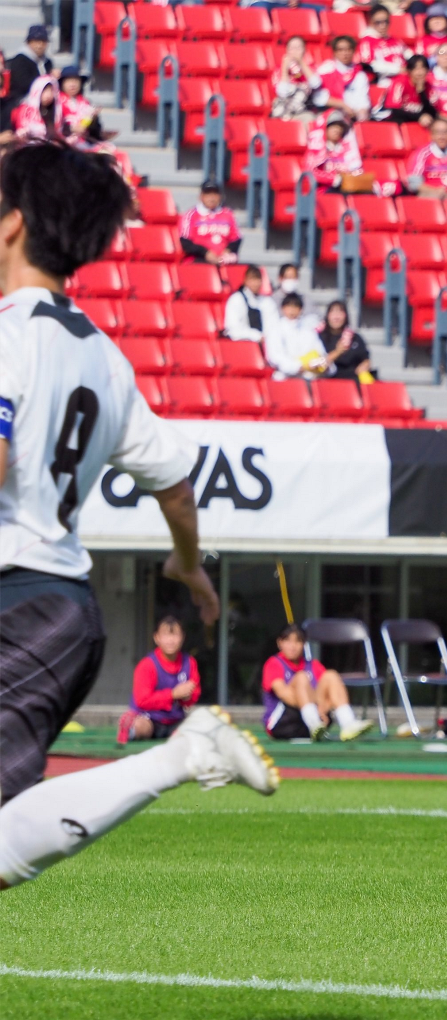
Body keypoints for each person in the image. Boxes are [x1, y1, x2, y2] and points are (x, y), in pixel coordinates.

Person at [0, 143, 280, 894]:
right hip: (58, 608)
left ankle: (181, 756)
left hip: (20, 608)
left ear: (12, 225)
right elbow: (177, 482)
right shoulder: (104, 357)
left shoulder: (6, 337)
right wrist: (187, 563)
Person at [262, 625, 375, 741]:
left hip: (317, 721)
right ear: (280, 643)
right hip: (283, 723)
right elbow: (283, 694)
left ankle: (348, 723)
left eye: (298, 641)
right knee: (301, 677)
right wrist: (313, 709)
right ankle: (313, 721)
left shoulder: (313, 665)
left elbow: (330, 693)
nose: (293, 646)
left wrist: (322, 707)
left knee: (331, 675)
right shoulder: (273, 664)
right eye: (288, 641)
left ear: (304, 644)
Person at [117, 616, 201, 744]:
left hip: (176, 720)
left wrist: (187, 697)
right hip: (149, 719)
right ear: (157, 638)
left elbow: (194, 694)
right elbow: (142, 700)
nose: (171, 640)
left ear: (182, 637)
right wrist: (173, 694)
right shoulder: (147, 665)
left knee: (196, 729)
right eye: (166, 635)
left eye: (175, 635)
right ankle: (131, 729)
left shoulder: (189, 662)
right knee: (141, 727)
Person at [264, 293, 327, 379]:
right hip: (283, 376)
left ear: (301, 310)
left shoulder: (308, 330)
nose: (292, 310)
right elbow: (274, 357)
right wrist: (297, 367)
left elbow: (319, 352)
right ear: (283, 308)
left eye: (295, 307)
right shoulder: (276, 329)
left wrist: (313, 364)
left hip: (307, 375)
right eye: (289, 306)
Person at [404, 116, 447, 198]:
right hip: (430, 195)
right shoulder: (423, 154)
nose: (442, 137)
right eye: (438, 132)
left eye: (445, 132)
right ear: (432, 135)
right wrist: (434, 191)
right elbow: (414, 183)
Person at [178, 181, 240, 265]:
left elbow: (236, 239)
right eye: (208, 194)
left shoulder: (228, 214)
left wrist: (227, 251)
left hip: (223, 259)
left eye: (215, 194)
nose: (211, 197)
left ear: (220, 196)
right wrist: (206, 253)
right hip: (198, 258)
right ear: (201, 196)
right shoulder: (191, 215)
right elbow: (185, 242)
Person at [3, 26, 51, 128]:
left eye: (43, 42)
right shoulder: (20, 60)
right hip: (21, 98)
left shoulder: (47, 62)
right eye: (36, 41)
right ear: (28, 42)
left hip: (44, 99)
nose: (39, 45)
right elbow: (23, 84)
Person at [316, 35, 372, 122]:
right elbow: (318, 97)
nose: (345, 53)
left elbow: (363, 100)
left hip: (354, 114)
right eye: (340, 50)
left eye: (348, 49)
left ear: (353, 51)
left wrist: (361, 113)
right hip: (330, 112)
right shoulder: (325, 70)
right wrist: (342, 105)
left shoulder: (360, 74)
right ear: (334, 52)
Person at [305, 111, 365, 192]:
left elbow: (356, 170)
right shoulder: (316, 150)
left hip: (348, 187)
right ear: (325, 128)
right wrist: (334, 179)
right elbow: (310, 172)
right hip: (325, 190)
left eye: (340, 127)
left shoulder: (346, 152)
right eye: (333, 126)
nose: (337, 130)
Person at [317, 300, 374, 382]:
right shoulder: (319, 337)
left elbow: (365, 358)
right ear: (327, 316)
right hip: (330, 379)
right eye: (333, 313)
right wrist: (338, 352)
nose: (336, 318)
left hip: (353, 378)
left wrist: (365, 365)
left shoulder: (355, 337)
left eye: (340, 313)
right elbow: (318, 363)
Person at [272, 35, 324, 120]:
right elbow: (282, 93)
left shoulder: (312, 68)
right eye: (292, 48)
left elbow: (316, 84)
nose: (295, 50)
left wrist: (301, 62)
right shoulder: (279, 69)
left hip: (305, 109)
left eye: (299, 47)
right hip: (284, 110)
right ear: (287, 50)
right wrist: (284, 68)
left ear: (304, 50)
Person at [376, 54, 438, 125]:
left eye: (423, 68)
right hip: (389, 121)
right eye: (416, 69)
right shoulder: (399, 83)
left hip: (414, 123)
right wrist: (418, 117)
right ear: (409, 71)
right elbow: (393, 110)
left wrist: (421, 93)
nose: (420, 73)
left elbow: (432, 113)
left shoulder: (428, 86)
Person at [222, 264, 278, 343]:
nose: (255, 283)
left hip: (267, 345)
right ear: (245, 281)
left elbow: (274, 326)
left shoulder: (268, 302)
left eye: (258, 279)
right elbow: (232, 329)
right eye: (252, 279)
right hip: (243, 345)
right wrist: (256, 336)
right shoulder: (236, 300)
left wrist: (267, 338)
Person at [358, 4, 411, 81]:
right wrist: (397, 69)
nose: (383, 25)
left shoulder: (395, 40)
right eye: (378, 22)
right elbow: (369, 65)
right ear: (371, 22)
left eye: (386, 21)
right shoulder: (367, 41)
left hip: (404, 77)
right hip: (384, 80)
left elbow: (409, 55)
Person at [10, 75, 57, 141]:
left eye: (52, 90)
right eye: (45, 91)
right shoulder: (25, 110)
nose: (48, 95)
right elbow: (21, 133)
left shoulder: (54, 111)